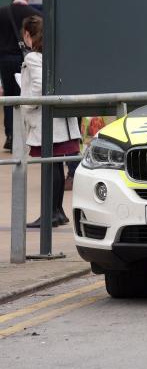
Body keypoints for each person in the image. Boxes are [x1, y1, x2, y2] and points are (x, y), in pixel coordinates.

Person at [20, 16, 82, 228]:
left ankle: (50, 213)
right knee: (55, 165)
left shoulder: (33, 58)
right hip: (62, 121)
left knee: (51, 167)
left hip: (47, 121)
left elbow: (38, 87)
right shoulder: (55, 54)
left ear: (28, 34)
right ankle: (57, 211)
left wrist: (26, 105)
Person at [0, 0, 41, 152]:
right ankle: (24, 135)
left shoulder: (2, 12)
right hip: (26, 59)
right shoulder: (34, 15)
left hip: (5, 59)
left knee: (10, 99)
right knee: (25, 96)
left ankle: (10, 135)